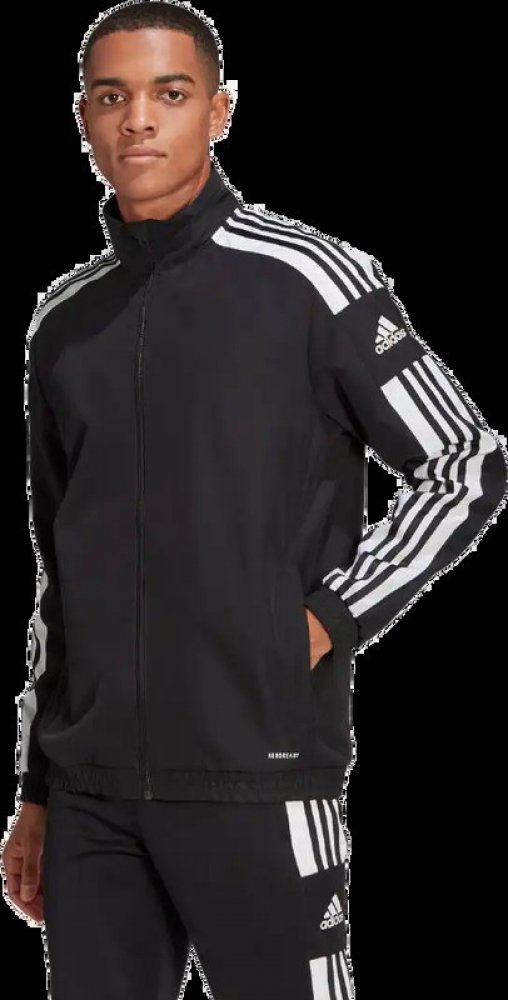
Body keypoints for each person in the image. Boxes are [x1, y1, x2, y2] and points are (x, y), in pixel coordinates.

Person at [2, 2, 507, 998]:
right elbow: (58, 571)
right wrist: (37, 787)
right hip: (93, 797)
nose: (138, 119)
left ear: (219, 111)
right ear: (83, 117)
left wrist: (327, 618)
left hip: (260, 772)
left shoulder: (310, 279)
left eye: (169, 93)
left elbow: (463, 460)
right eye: (111, 96)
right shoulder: (64, 320)